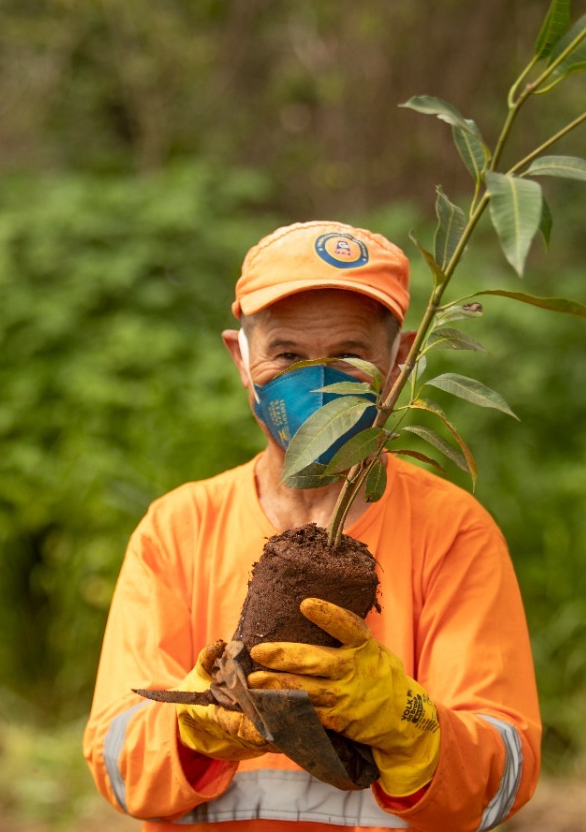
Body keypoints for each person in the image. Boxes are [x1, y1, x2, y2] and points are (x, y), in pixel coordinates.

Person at [83, 220, 541, 830]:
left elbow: (500, 775)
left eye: (350, 355)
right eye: (288, 355)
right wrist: (192, 724)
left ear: (399, 361)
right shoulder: (178, 529)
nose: (317, 380)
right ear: (241, 360)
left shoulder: (453, 532)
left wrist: (409, 722)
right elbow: (119, 761)